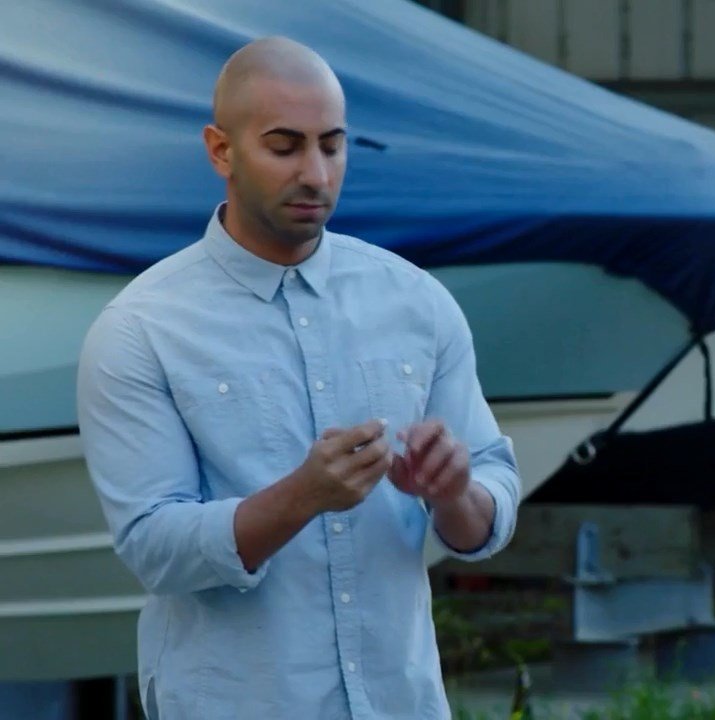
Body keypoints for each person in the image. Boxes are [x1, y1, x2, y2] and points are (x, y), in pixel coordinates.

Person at [76, 36, 520, 719]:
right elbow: (154, 549)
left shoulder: (417, 302)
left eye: (333, 146)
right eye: (284, 147)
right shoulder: (141, 328)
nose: (315, 173)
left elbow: (491, 495)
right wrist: (301, 497)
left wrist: (454, 491)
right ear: (221, 150)